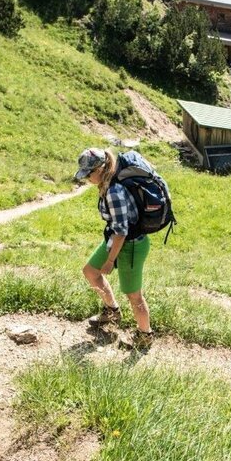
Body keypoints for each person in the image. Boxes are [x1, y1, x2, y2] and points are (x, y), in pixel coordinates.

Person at [76, 148, 156, 349]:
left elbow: (122, 231)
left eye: (88, 174)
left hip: (130, 245)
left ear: (101, 169)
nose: (87, 179)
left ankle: (145, 336)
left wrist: (111, 260)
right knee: (91, 271)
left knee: (133, 294)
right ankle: (112, 311)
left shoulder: (113, 191)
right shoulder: (106, 184)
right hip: (115, 240)